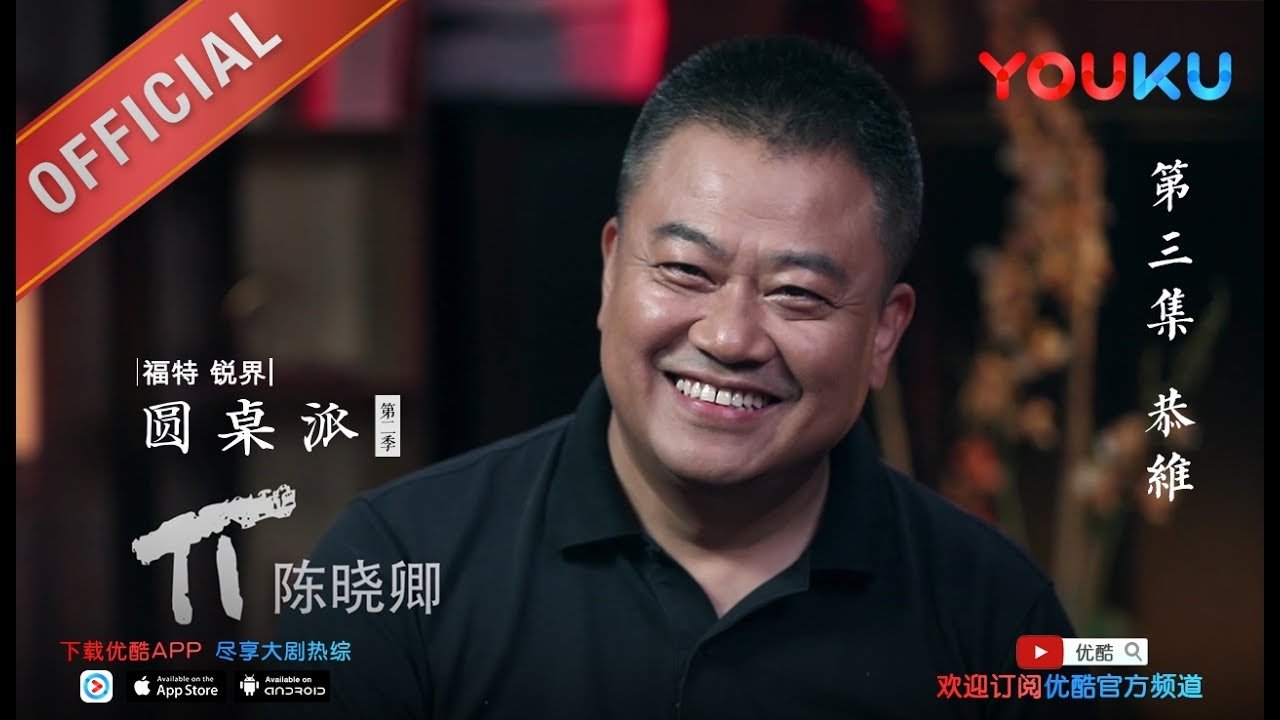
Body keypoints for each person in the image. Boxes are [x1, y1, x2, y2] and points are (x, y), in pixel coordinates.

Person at [277, 35, 1092, 719]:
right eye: (685, 270)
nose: (730, 337)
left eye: (797, 294)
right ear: (610, 272)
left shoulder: (997, 617)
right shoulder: (390, 567)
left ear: (884, 331)